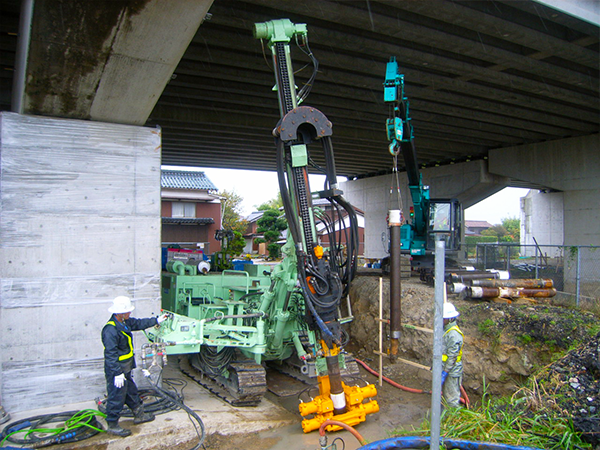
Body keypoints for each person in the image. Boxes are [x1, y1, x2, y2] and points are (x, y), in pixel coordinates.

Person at [102, 295, 168, 437]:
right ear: (120, 313)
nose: (130, 313)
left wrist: (156, 320)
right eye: (127, 311)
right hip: (117, 371)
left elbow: (139, 324)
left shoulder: (124, 322)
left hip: (125, 368)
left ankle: (139, 415)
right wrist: (117, 373)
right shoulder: (110, 330)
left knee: (131, 391)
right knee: (116, 396)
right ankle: (112, 424)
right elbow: (110, 354)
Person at [441, 302, 464, 408]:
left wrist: (445, 372)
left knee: (452, 398)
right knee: (446, 395)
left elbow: (452, 356)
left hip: (451, 370)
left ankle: (455, 419)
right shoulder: (446, 330)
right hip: (445, 368)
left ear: (450, 319)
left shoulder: (453, 334)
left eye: (443, 318)